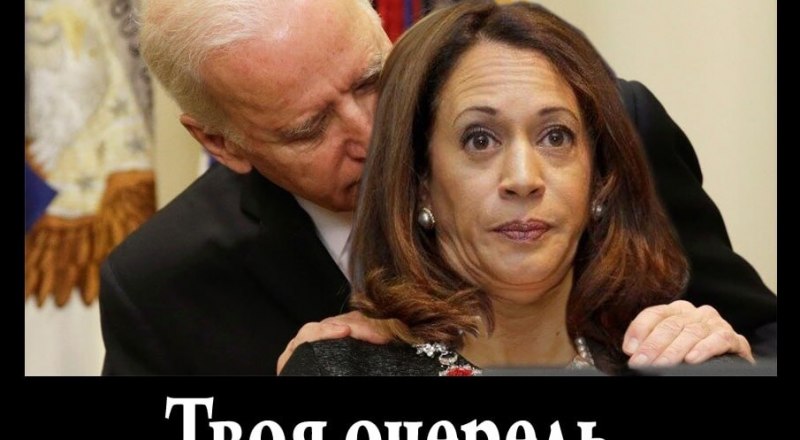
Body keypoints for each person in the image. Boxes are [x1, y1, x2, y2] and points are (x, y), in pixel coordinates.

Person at [99, 0, 774, 376]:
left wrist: (721, 350)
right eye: (309, 128)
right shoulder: (162, 283)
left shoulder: (610, 134)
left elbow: (764, 333)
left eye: (371, 79)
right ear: (220, 144)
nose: (371, 132)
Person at [279, 0, 750, 375]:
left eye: (555, 137)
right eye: (480, 140)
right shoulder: (338, 370)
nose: (523, 179)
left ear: (598, 183)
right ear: (420, 184)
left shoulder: (679, 360)